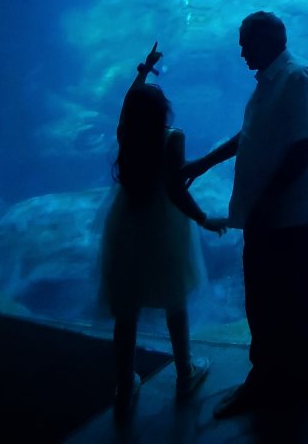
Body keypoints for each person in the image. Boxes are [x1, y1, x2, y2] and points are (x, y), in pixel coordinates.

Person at [181, 11, 308, 421]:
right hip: (271, 215)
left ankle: (277, 380)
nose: (241, 50)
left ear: (267, 41)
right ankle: (287, 378)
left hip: (284, 217)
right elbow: (249, 136)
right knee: (276, 297)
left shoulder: (297, 78)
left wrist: (266, 203)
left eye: (246, 42)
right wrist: (202, 163)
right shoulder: (271, 81)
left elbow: (305, 145)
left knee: (277, 299)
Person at [98, 44, 226, 421]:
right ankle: (185, 371)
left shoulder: (126, 133)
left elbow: (128, 105)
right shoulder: (172, 138)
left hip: (124, 222)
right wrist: (204, 219)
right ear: (163, 111)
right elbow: (174, 189)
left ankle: (124, 385)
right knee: (174, 299)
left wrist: (144, 68)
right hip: (163, 226)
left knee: (127, 307)